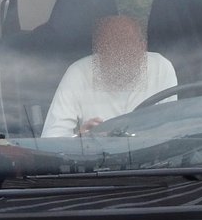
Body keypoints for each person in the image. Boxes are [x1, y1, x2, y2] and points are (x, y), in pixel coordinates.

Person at [41, 15, 177, 137]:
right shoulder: (78, 73)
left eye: (126, 43)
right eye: (111, 44)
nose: (119, 53)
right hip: (94, 156)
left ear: (142, 46)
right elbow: (51, 139)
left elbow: (170, 130)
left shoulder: (160, 67)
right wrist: (80, 139)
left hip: (151, 156)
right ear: (99, 49)